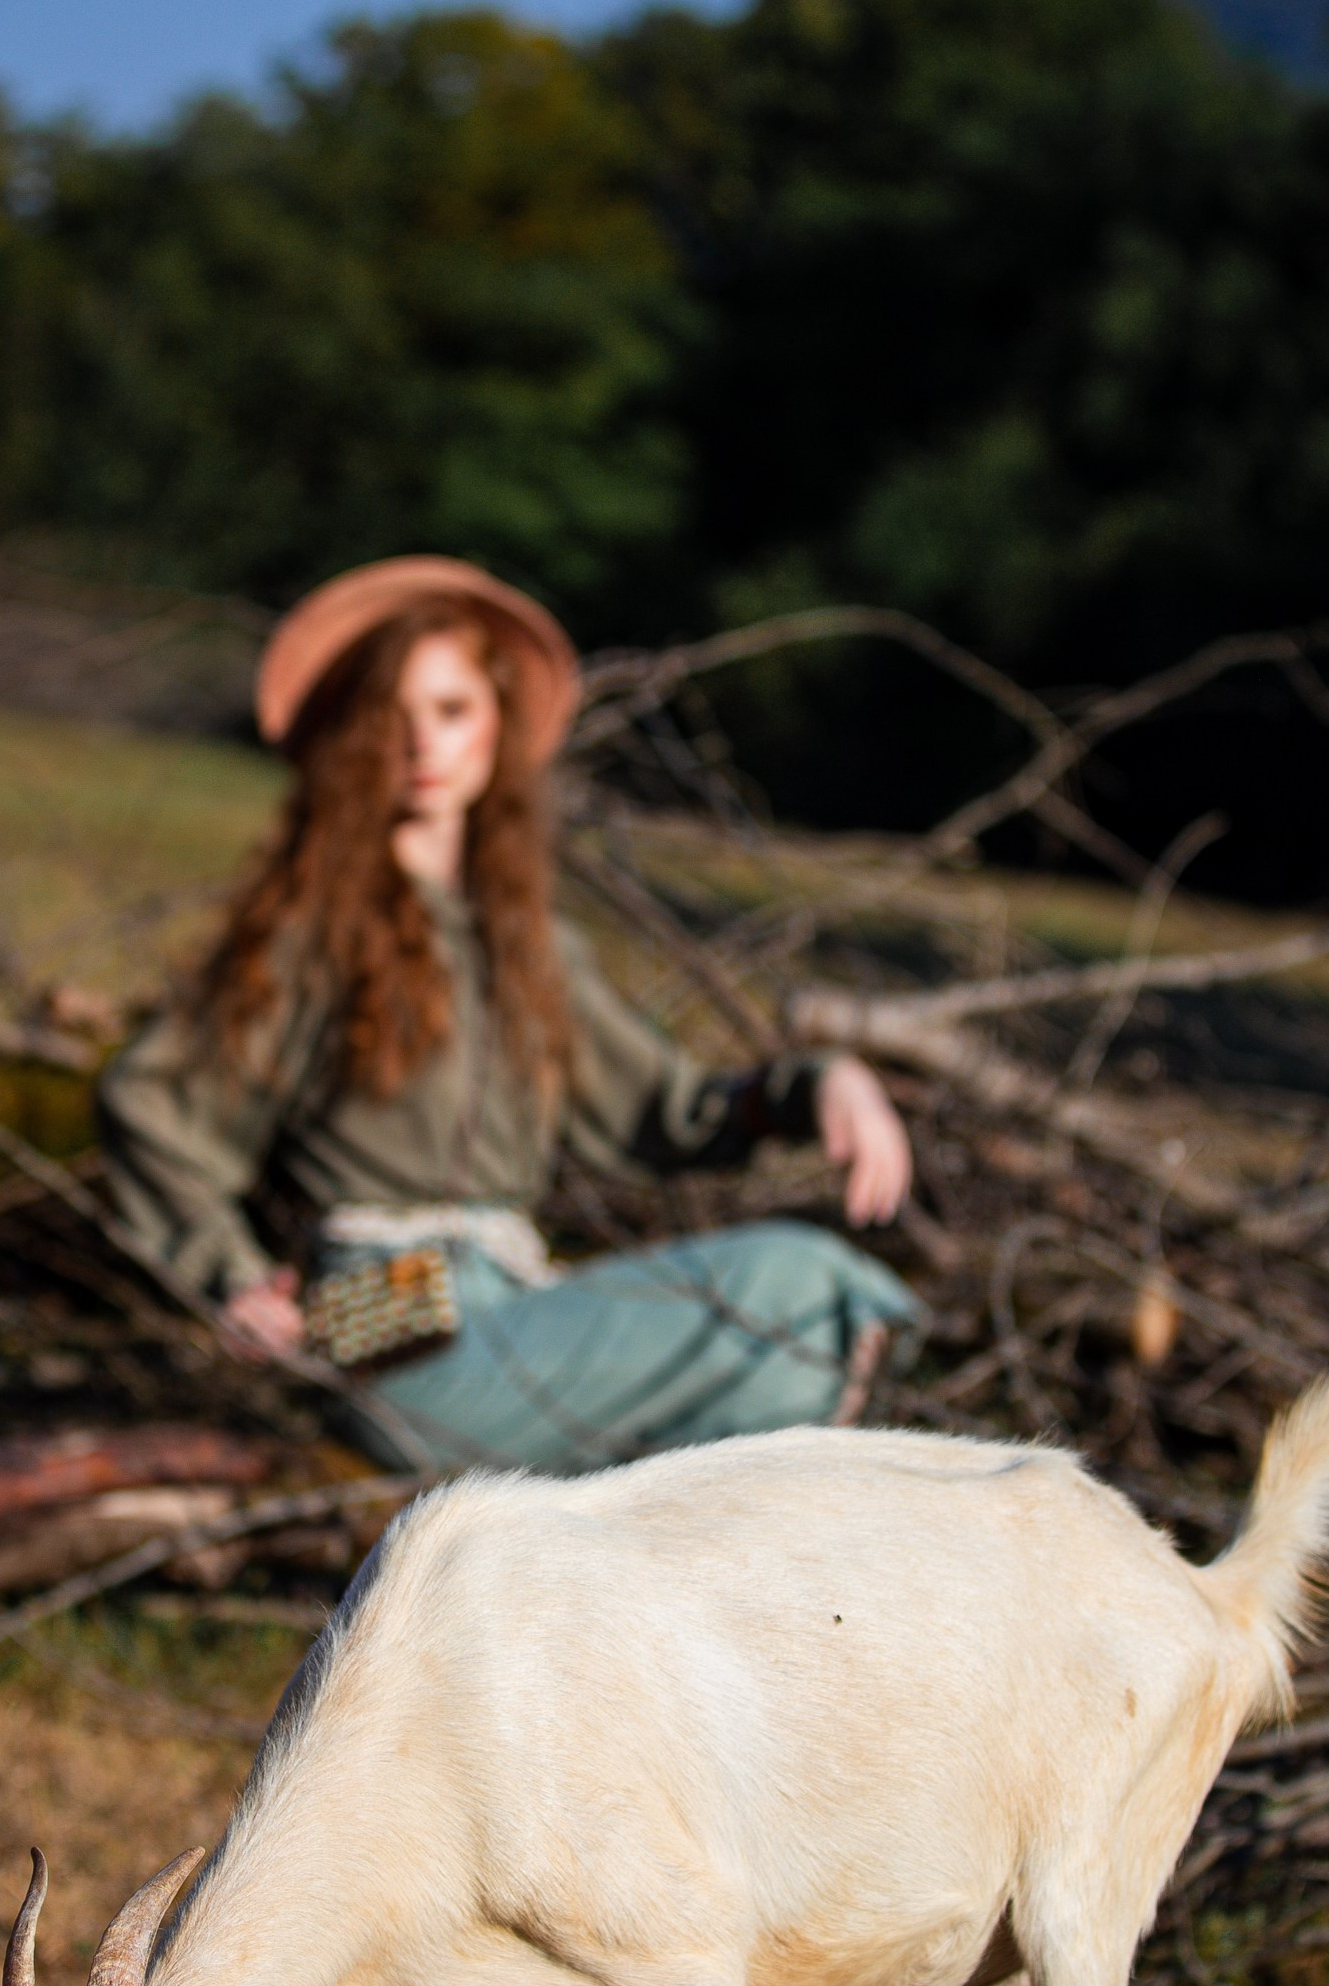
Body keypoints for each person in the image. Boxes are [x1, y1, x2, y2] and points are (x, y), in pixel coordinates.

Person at [98, 557, 924, 1472]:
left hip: (522, 1300)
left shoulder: (530, 948)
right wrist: (234, 1277)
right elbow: (151, 1103)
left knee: (790, 1362)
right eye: (392, 716)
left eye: (452, 710)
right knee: (801, 1286)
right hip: (382, 1315)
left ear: (495, 724)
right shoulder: (313, 936)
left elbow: (669, 1111)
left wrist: (822, 1085)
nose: (424, 743)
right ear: (351, 738)